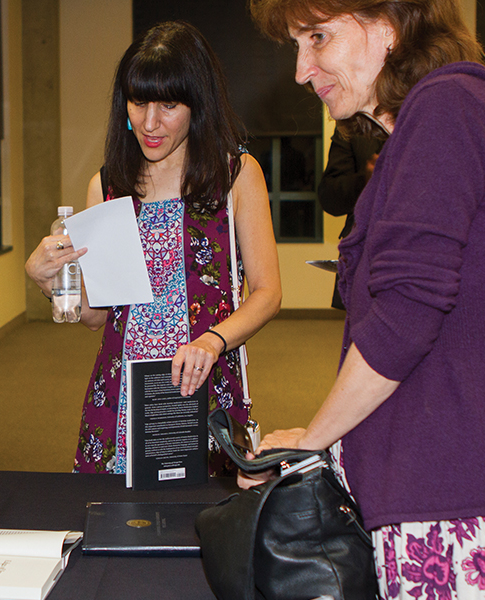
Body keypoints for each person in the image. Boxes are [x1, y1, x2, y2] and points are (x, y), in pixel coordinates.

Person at [247, 0, 485, 596]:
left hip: (445, 495)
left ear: (388, 29)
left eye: (318, 38)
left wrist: (313, 440)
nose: (302, 69)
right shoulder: (423, 124)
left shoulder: (444, 106)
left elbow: (408, 312)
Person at [25, 21, 282, 475]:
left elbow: (267, 292)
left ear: (197, 104)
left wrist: (211, 340)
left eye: (169, 105)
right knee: (114, 528)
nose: (150, 122)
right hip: (121, 395)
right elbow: (100, 315)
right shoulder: (108, 186)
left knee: (203, 528)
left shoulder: (235, 177)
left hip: (202, 388)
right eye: (139, 101)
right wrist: (49, 282)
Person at [317, 124, 384, 308]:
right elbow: (329, 196)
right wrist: (365, 179)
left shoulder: (429, 110)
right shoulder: (353, 123)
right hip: (363, 258)